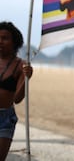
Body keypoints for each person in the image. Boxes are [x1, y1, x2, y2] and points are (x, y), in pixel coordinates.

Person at [0, 22, 33, 161]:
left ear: (15, 42)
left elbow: (17, 99)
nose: (0, 41)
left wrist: (27, 77)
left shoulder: (21, 66)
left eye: (5, 38)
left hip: (5, 118)